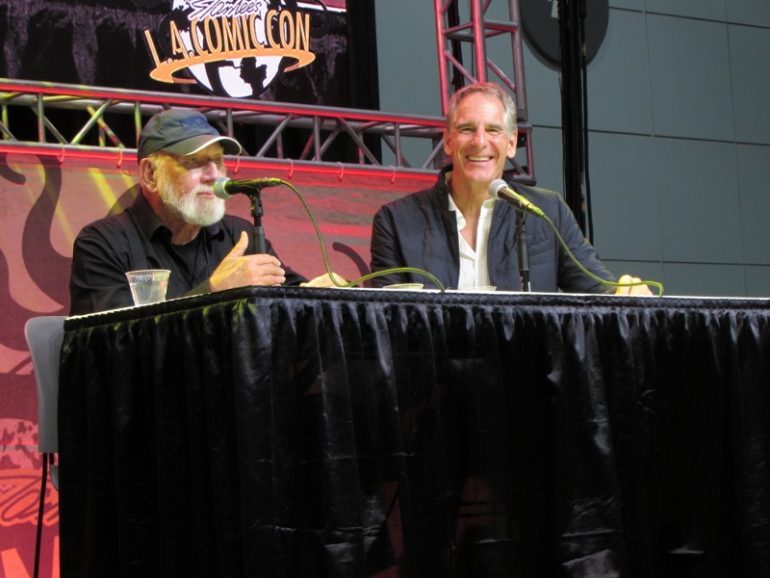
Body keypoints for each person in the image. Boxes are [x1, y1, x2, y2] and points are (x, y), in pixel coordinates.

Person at [369, 82, 652, 295]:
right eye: (467, 129)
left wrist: (626, 292)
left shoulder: (546, 212)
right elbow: (387, 321)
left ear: (512, 142)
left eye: (493, 130)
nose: (480, 142)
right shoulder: (396, 221)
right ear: (448, 140)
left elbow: (599, 292)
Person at [70, 108, 339, 315]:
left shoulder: (239, 235)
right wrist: (213, 292)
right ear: (150, 174)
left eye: (218, 161)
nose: (214, 175)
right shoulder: (102, 243)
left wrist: (316, 294)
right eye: (193, 162)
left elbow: (290, 295)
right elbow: (111, 343)